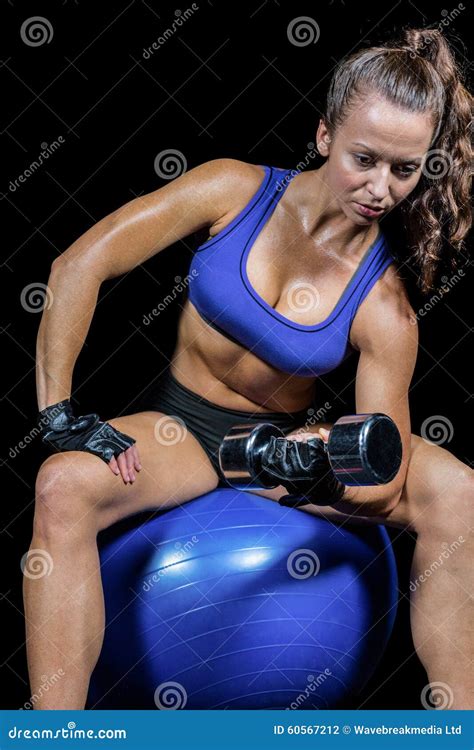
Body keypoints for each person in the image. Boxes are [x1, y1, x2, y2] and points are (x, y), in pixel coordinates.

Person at [24, 27, 473, 710]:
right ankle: (58, 730)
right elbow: (79, 266)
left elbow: (383, 476)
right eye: (365, 159)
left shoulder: (385, 306)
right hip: (180, 432)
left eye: (405, 170)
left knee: (459, 493)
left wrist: (321, 469)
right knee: (61, 484)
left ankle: (460, 720)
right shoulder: (232, 190)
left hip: (273, 454)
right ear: (324, 135)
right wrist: (57, 412)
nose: (381, 188)